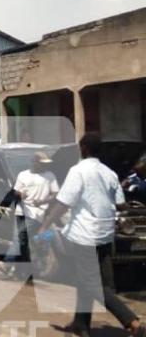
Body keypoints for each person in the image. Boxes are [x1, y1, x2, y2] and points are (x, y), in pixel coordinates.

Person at [37, 134, 145, 337]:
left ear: (84, 149)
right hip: (105, 234)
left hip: (84, 235)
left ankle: (132, 321)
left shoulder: (78, 171)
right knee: (87, 281)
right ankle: (81, 324)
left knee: (91, 283)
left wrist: (45, 225)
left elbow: (63, 203)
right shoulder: (109, 173)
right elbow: (121, 204)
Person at [0, 151, 59, 279]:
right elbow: (15, 193)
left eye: (45, 164)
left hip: (36, 214)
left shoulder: (50, 176)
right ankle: (19, 272)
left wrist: (43, 201)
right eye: (41, 163)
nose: (44, 166)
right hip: (21, 211)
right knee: (22, 242)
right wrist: (21, 195)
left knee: (19, 239)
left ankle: (7, 265)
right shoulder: (23, 175)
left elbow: (56, 194)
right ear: (34, 162)